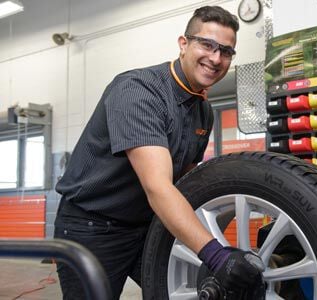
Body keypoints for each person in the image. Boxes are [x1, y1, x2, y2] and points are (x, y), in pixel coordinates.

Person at [54, 6, 264, 299]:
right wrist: (216, 255)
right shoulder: (138, 91)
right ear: (183, 44)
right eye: (207, 44)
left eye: (226, 51)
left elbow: (188, 183)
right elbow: (159, 187)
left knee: (180, 291)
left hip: (147, 225)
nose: (216, 58)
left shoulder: (203, 111)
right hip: (93, 226)